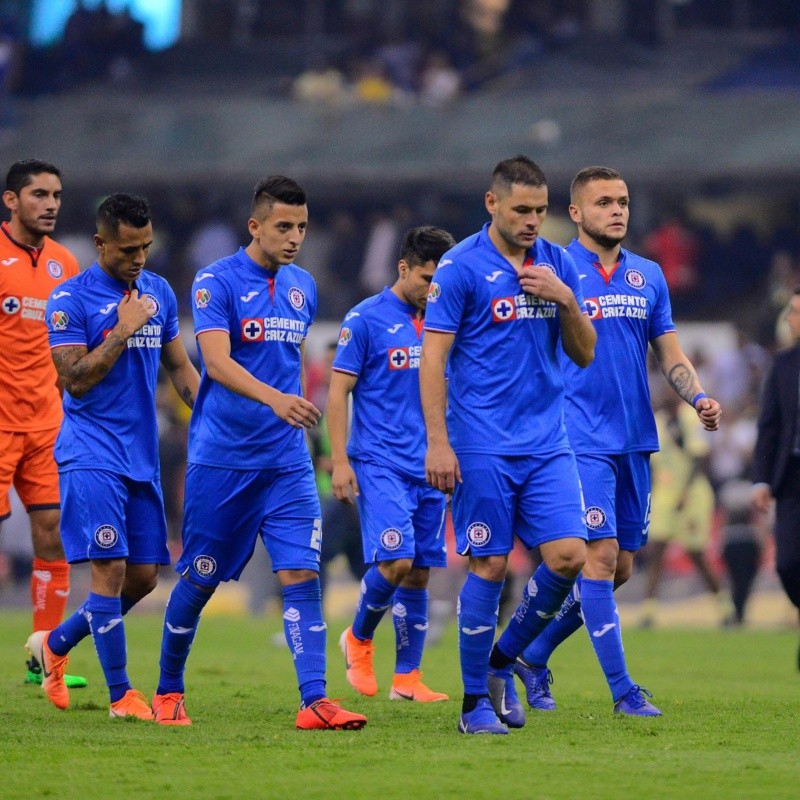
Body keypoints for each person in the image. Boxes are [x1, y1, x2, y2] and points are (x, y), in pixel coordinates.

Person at [154, 176, 366, 730]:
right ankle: (168, 690)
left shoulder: (302, 285)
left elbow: (285, 358)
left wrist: (287, 412)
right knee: (199, 579)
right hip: (223, 459)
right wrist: (278, 400)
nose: (294, 236)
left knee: (301, 574)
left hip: (286, 462)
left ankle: (314, 701)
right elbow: (216, 363)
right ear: (255, 226)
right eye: (282, 226)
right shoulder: (215, 281)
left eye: (301, 226)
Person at [514, 166, 722, 714]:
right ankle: (624, 692)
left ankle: (529, 654)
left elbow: (670, 353)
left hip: (635, 439)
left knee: (621, 566)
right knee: (599, 558)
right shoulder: (551, 267)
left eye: (623, 201)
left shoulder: (647, 276)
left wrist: (697, 396)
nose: (618, 210)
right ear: (577, 213)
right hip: (576, 437)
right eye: (604, 201)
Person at [420, 155, 596, 734]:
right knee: (489, 563)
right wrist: (439, 444)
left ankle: (501, 661)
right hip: (481, 443)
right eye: (522, 210)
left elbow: (584, 352)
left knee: (570, 556)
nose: (533, 222)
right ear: (492, 203)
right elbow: (434, 358)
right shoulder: (460, 268)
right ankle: (473, 705)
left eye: (541, 211)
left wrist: (565, 298)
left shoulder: (557, 261)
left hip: (548, 440)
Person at [27, 193, 199, 718]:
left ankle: (55, 646)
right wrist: (122, 330)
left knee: (144, 577)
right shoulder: (70, 299)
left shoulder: (159, 292)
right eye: (128, 250)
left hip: (140, 455)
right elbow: (73, 380)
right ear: (101, 243)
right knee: (108, 571)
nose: (140, 259)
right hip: (90, 452)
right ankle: (122, 695)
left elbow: (180, 370)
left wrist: (216, 417)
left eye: (146, 247)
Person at [330, 225, 455, 703]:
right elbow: (339, 391)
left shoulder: (447, 321)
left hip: (431, 464)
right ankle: (359, 638)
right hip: (380, 462)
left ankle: (407, 678)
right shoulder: (364, 319)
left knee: (420, 570)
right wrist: (340, 462)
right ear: (403, 268)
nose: (433, 290)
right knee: (396, 559)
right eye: (426, 279)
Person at [0, 159, 85, 688]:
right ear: (11, 201)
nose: (51, 203)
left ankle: (44, 658)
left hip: (46, 424)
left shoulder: (64, 264)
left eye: (56, 194)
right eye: (38, 194)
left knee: (53, 532)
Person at [640, 390, 730, 628]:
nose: (663, 392)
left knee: (696, 553)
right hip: (665, 495)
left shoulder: (690, 418)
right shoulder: (657, 420)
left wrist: (684, 493)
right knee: (656, 550)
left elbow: (700, 457)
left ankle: (725, 609)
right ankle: (649, 612)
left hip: (692, 495)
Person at [752, 287, 800, 668]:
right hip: (792, 478)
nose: (789, 319)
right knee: (787, 564)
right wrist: (761, 480)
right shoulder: (782, 364)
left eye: (796, 312)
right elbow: (769, 427)